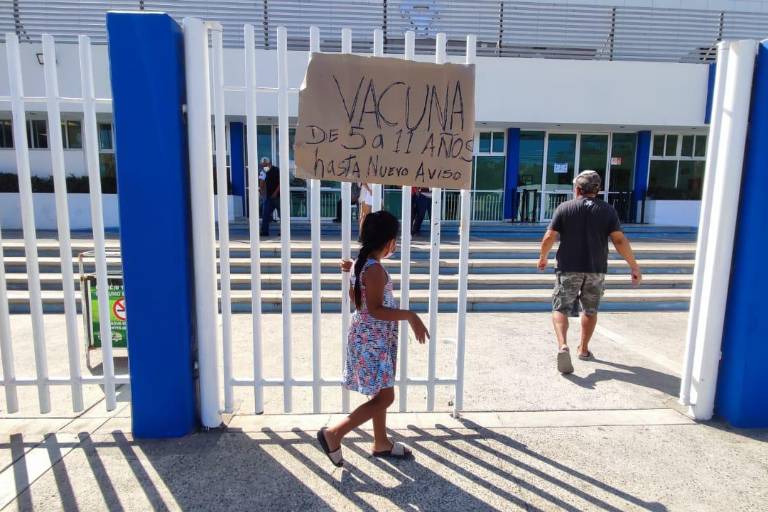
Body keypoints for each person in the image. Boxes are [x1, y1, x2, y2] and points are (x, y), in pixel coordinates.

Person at [316, 211, 430, 466]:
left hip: (369, 337)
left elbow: (357, 301)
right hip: (373, 340)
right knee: (386, 396)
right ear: (390, 241)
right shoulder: (375, 269)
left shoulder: (361, 264)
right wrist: (411, 316)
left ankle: (381, 442)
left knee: (379, 392)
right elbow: (375, 309)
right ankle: (334, 433)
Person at [537, 170, 642, 374]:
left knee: (560, 308)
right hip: (595, 269)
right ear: (598, 190)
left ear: (577, 189)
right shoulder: (608, 211)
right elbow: (619, 240)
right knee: (590, 310)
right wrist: (633, 266)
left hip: (568, 268)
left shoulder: (565, 208)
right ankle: (583, 349)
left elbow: (550, 236)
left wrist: (543, 257)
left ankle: (563, 345)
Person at [259, 158, 280, 237]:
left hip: (278, 196)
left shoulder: (276, 170)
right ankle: (264, 231)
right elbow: (261, 183)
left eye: (265, 164)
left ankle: (283, 231)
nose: (264, 166)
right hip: (268, 197)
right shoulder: (263, 171)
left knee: (282, 215)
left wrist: (276, 192)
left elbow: (281, 183)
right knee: (265, 214)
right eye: (262, 165)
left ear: (269, 163)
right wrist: (261, 192)